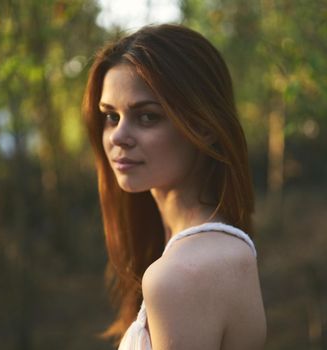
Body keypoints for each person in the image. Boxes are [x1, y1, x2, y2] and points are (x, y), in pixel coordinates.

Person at [83, 24, 266, 350]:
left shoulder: (181, 274)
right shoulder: (222, 247)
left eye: (147, 117)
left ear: (204, 125)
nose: (118, 137)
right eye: (111, 117)